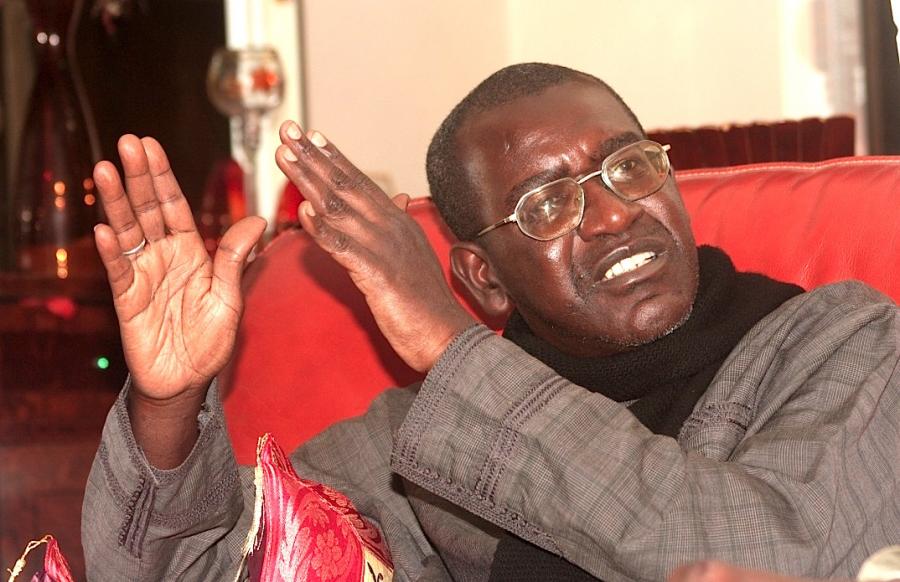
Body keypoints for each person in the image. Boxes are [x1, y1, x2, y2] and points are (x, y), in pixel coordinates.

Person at [81, 63, 900, 581]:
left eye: (628, 166)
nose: (615, 215)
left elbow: (775, 555)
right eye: (547, 206)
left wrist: (449, 345)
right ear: (485, 279)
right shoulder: (420, 440)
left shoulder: (845, 341)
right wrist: (169, 406)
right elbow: (204, 571)